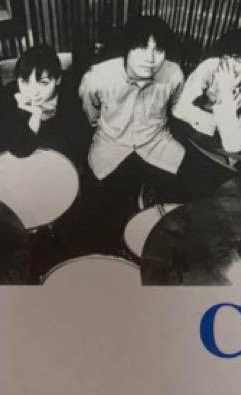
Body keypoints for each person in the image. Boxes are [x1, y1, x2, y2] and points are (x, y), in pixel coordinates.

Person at [77, 15, 185, 244]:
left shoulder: (174, 73)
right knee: (97, 212)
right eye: (142, 47)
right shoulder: (97, 77)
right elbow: (91, 113)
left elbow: (176, 108)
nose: (151, 58)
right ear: (127, 48)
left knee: (179, 205)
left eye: (158, 49)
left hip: (157, 140)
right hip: (111, 142)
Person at [173, 28, 241, 154]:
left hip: (237, 155)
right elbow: (178, 111)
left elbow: (233, 145)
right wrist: (210, 102)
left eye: (239, 59)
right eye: (226, 56)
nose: (229, 64)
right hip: (193, 139)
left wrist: (224, 94)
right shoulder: (210, 66)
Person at [0, 43, 87, 164]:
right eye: (25, 82)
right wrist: (35, 115)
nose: (33, 92)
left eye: (44, 83)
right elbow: (19, 149)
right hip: (25, 161)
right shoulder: (9, 95)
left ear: (58, 79)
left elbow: (76, 147)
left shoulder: (71, 97)